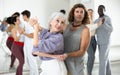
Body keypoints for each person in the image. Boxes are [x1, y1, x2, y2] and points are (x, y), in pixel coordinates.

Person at [63, 3, 103, 75]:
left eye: (82, 12)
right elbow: (52, 33)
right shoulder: (66, 27)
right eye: (77, 12)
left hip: (76, 66)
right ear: (73, 13)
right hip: (63, 64)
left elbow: (82, 52)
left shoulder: (85, 30)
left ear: (84, 15)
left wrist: (66, 55)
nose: (79, 14)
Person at [94, 5, 113, 75]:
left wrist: (104, 23)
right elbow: (93, 29)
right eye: (99, 9)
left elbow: (111, 29)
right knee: (105, 59)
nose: (100, 11)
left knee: (102, 61)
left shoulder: (108, 19)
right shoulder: (96, 20)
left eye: (101, 9)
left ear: (105, 10)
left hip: (106, 42)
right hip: (99, 43)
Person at [21, 10, 39, 75]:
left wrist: (24, 33)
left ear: (25, 16)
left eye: (22, 16)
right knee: (30, 62)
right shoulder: (26, 24)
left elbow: (32, 35)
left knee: (32, 61)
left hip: (31, 46)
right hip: (28, 46)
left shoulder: (30, 24)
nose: (22, 17)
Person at [86, 9, 97, 75]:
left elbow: (95, 31)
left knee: (91, 57)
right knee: (92, 56)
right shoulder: (85, 22)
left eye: (91, 13)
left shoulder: (93, 21)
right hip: (88, 40)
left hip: (94, 39)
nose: (90, 14)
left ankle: (89, 72)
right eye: (89, 12)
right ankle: (89, 73)